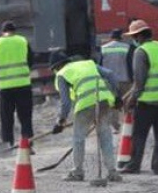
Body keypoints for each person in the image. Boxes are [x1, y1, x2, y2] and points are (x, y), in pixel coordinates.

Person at [50, 51, 123, 183]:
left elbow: (65, 102)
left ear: (56, 67)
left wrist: (60, 122)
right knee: (105, 137)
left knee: (78, 139)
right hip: (104, 101)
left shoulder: (61, 74)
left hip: (85, 105)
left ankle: (78, 172)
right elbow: (111, 74)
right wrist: (118, 96)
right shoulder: (88, 64)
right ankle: (112, 172)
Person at [121, 19, 158, 175]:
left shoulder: (141, 52)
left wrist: (131, 100)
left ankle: (133, 165)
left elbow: (139, 82)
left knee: (139, 134)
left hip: (147, 101)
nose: (133, 40)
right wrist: (126, 96)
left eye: (133, 37)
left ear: (138, 36)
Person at [0, 21, 35, 148]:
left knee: (6, 117)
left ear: (3, 32)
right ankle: (28, 143)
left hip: (5, 87)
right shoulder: (23, 41)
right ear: (15, 31)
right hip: (24, 85)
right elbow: (31, 60)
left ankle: (8, 143)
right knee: (25, 116)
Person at [99, 28, 135, 131]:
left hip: (109, 82)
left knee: (113, 103)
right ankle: (128, 125)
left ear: (111, 37)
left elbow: (100, 66)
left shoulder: (103, 48)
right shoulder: (127, 47)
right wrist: (132, 79)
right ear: (121, 37)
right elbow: (130, 65)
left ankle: (115, 126)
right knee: (127, 103)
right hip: (125, 79)